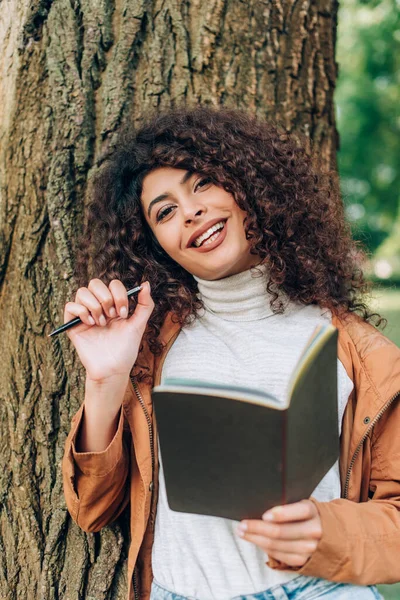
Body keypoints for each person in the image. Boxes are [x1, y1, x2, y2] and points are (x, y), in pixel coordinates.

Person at [62, 106, 400, 600]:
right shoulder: (150, 348)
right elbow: (93, 508)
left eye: (202, 184)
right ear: (156, 245)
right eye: (165, 211)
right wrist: (105, 378)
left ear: (246, 188)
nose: (191, 211)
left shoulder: (363, 354)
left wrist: (324, 529)